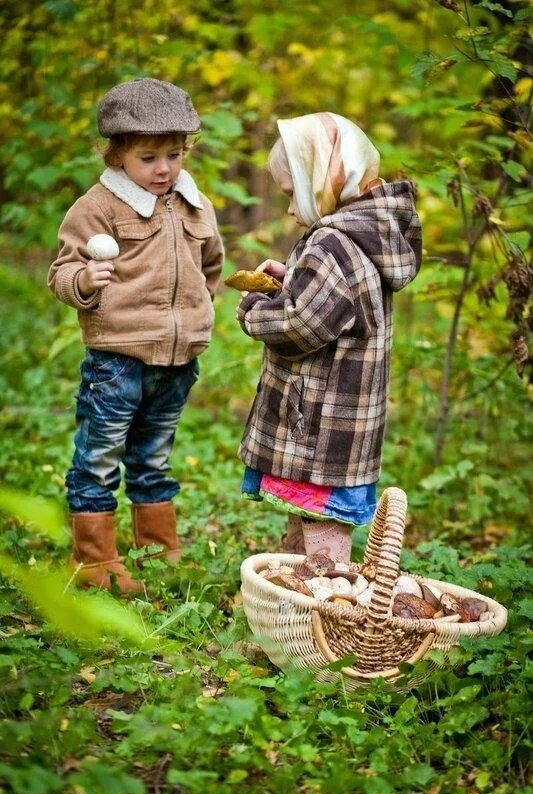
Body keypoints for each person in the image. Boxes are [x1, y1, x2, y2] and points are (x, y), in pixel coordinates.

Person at [48, 78, 224, 594]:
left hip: (177, 360)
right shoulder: (97, 207)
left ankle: (157, 552)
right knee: (100, 457)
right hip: (116, 359)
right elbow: (62, 271)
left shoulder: (195, 204)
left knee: (154, 455)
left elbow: (210, 265)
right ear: (117, 154)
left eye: (173, 154)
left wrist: (198, 310)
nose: (164, 169)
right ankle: (95, 561)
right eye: (149, 157)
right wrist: (83, 282)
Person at [237, 112, 421, 563]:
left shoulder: (332, 243)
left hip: (320, 423)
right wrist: (293, 278)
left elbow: (303, 324)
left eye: (290, 193)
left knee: (322, 522)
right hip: (345, 422)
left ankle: (325, 608)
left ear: (320, 179)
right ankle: (296, 605)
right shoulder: (369, 234)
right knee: (313, 513)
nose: (288, 208)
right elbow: (337, 303)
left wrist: (253, 311)